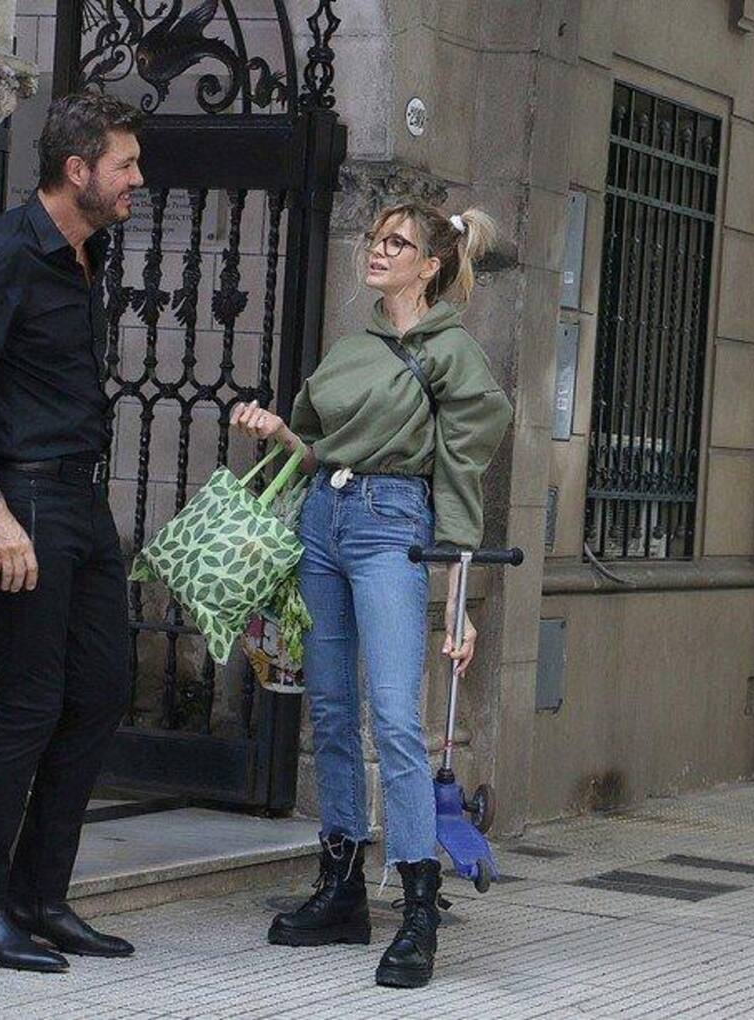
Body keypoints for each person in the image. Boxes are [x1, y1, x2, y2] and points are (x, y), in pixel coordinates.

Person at [230, 201, 512, 989]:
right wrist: (274, 431)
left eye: (397, 243)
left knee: (393, 717)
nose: (377, 251)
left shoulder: (454, 354)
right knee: (328, 709)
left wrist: (457, 604)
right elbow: (317, 447)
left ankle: (419, 907)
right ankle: (342, 885)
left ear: (430, 266)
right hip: (324, 517)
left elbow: (461, 481)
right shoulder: (351, 347)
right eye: (374, 238)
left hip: (395, 523)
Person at [0, 92, 144, 974]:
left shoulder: (89, 254)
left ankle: (41, 897)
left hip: (82, 503)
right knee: (30, 705)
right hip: (23, 502)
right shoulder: (2, 254)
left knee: (99, 693)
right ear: (76, 169)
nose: (137, 181)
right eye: (125, 165)